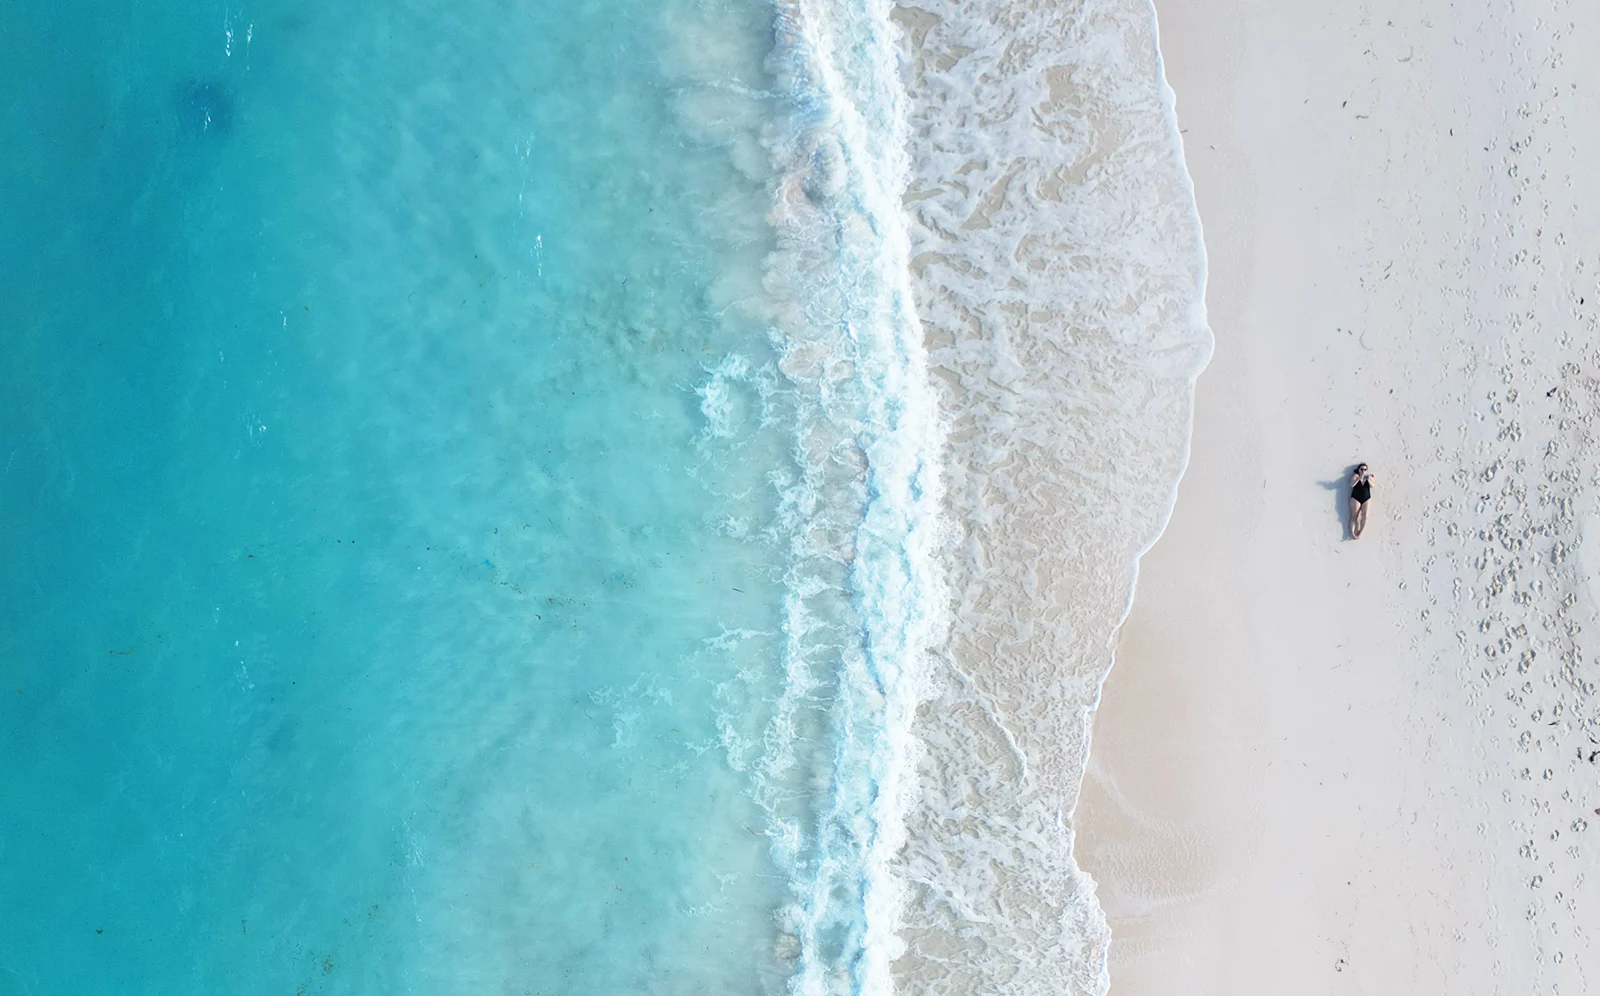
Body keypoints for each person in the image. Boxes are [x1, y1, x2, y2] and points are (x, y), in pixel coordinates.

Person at [1349, 463, 1375, 538]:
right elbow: (1352, 484)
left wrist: (1368, 480)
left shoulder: (1369, 476)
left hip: (1366, 498)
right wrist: (1359, 478)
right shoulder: (1355, 476)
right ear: (1359, 470)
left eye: (1365, 469)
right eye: (1362, 469)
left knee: (1365, 515)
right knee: (1354, 515)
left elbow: (1373, 485)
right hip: (1356, 497)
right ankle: (1352, 532)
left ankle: (1360, 532)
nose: (1363, 471)